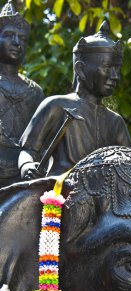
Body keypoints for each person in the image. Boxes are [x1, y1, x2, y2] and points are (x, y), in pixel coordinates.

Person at [19, 21, 131, 179]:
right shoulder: (56, 105)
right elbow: (29, 150)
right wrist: (27, 165)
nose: (114, 76)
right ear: (80, 69)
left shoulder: (115, 122)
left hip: (104, 195)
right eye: (107, 67)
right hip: (59, 190)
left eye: (117, 69)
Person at [0, 0, 44, 187]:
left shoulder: (34, 91)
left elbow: (41, 142)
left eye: (22, 38)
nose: (17, 42)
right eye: (9, 35)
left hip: (26, 174)